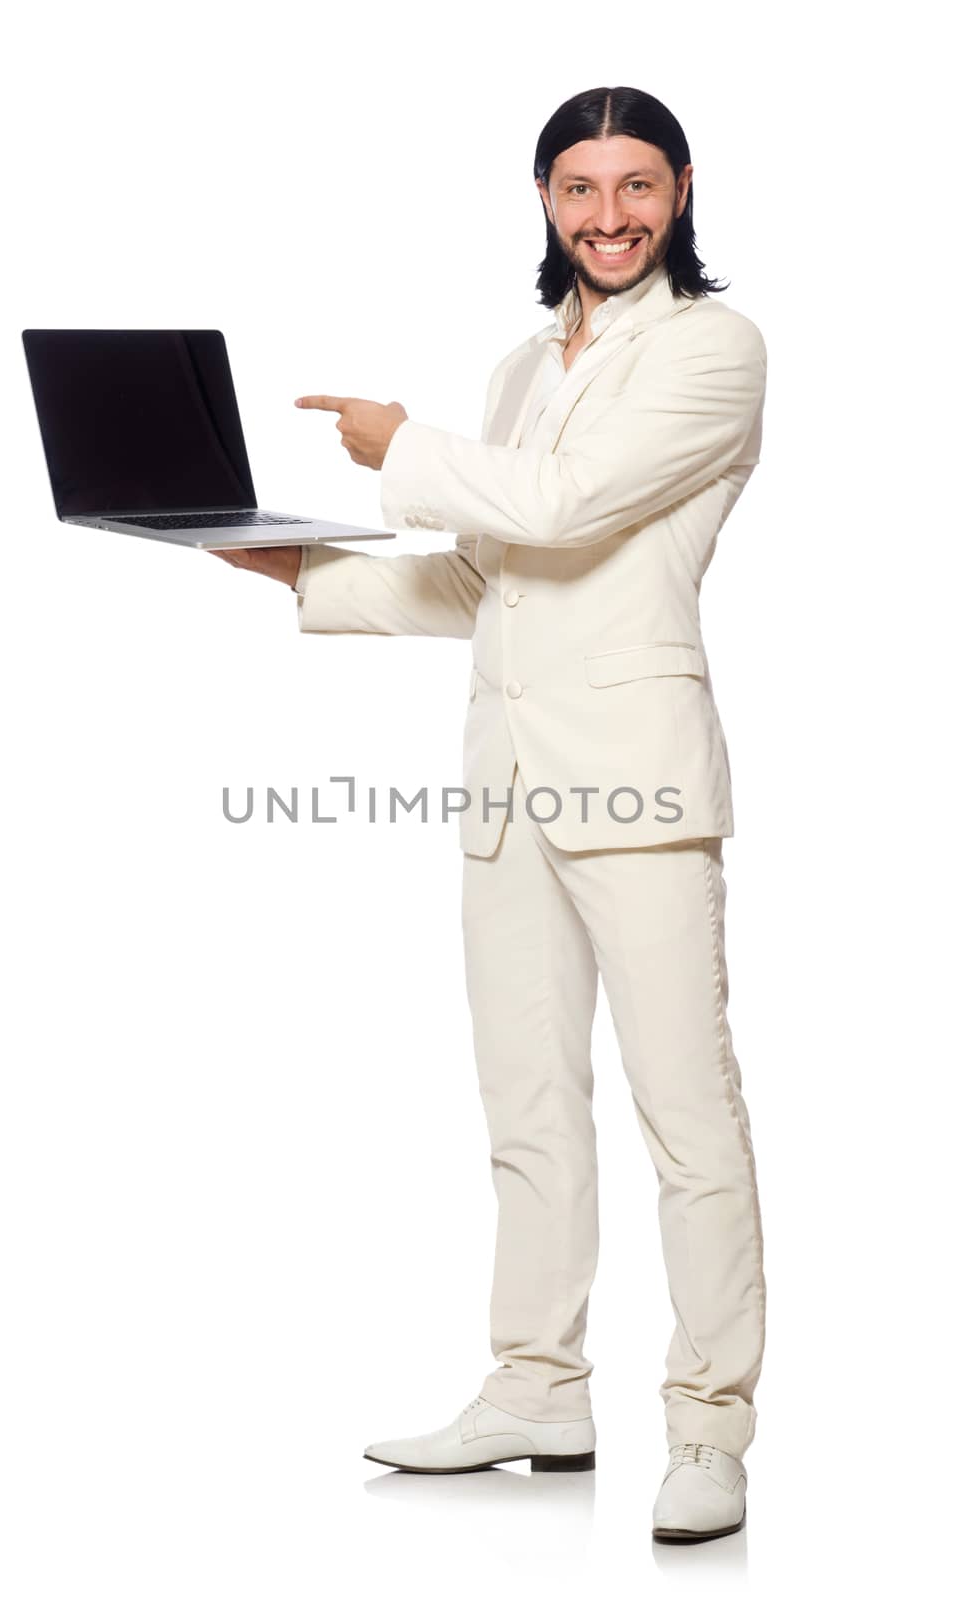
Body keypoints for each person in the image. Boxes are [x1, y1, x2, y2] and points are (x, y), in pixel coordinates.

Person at [213, 84, 767, 1544]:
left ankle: (709, 1430)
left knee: (687, 1118)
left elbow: (572, 507)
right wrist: (288, 567)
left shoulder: (714, 350)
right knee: (528, 1108)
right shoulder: (526, 367)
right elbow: (488, 577)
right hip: (509, 784)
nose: (609, 216)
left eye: (635, 186)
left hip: (638, 774)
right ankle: (538, 1390)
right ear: (545, 202)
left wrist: (400, 447)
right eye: (580, 190)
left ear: (683, 189)